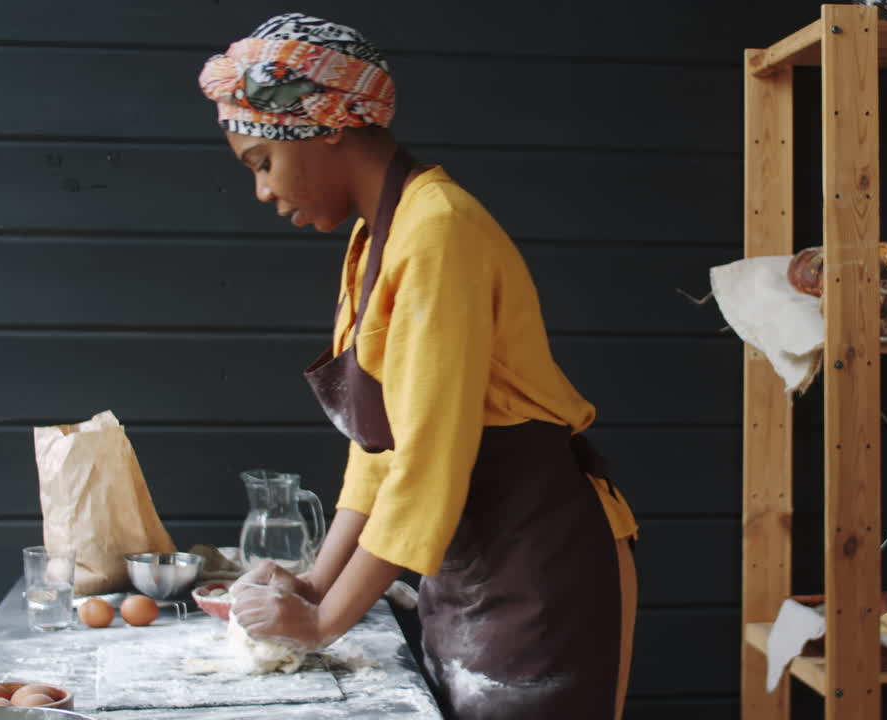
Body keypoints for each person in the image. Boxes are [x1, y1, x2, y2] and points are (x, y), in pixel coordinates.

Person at [198, 13, 639, 719]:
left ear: (327, 126)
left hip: (538, 570)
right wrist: (316, 581)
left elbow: (432, 461)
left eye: (261, 162)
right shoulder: (379, 239)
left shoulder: (438, 231)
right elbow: (379, 450)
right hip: (469, 568)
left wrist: (322, 622)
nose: (262, 191)